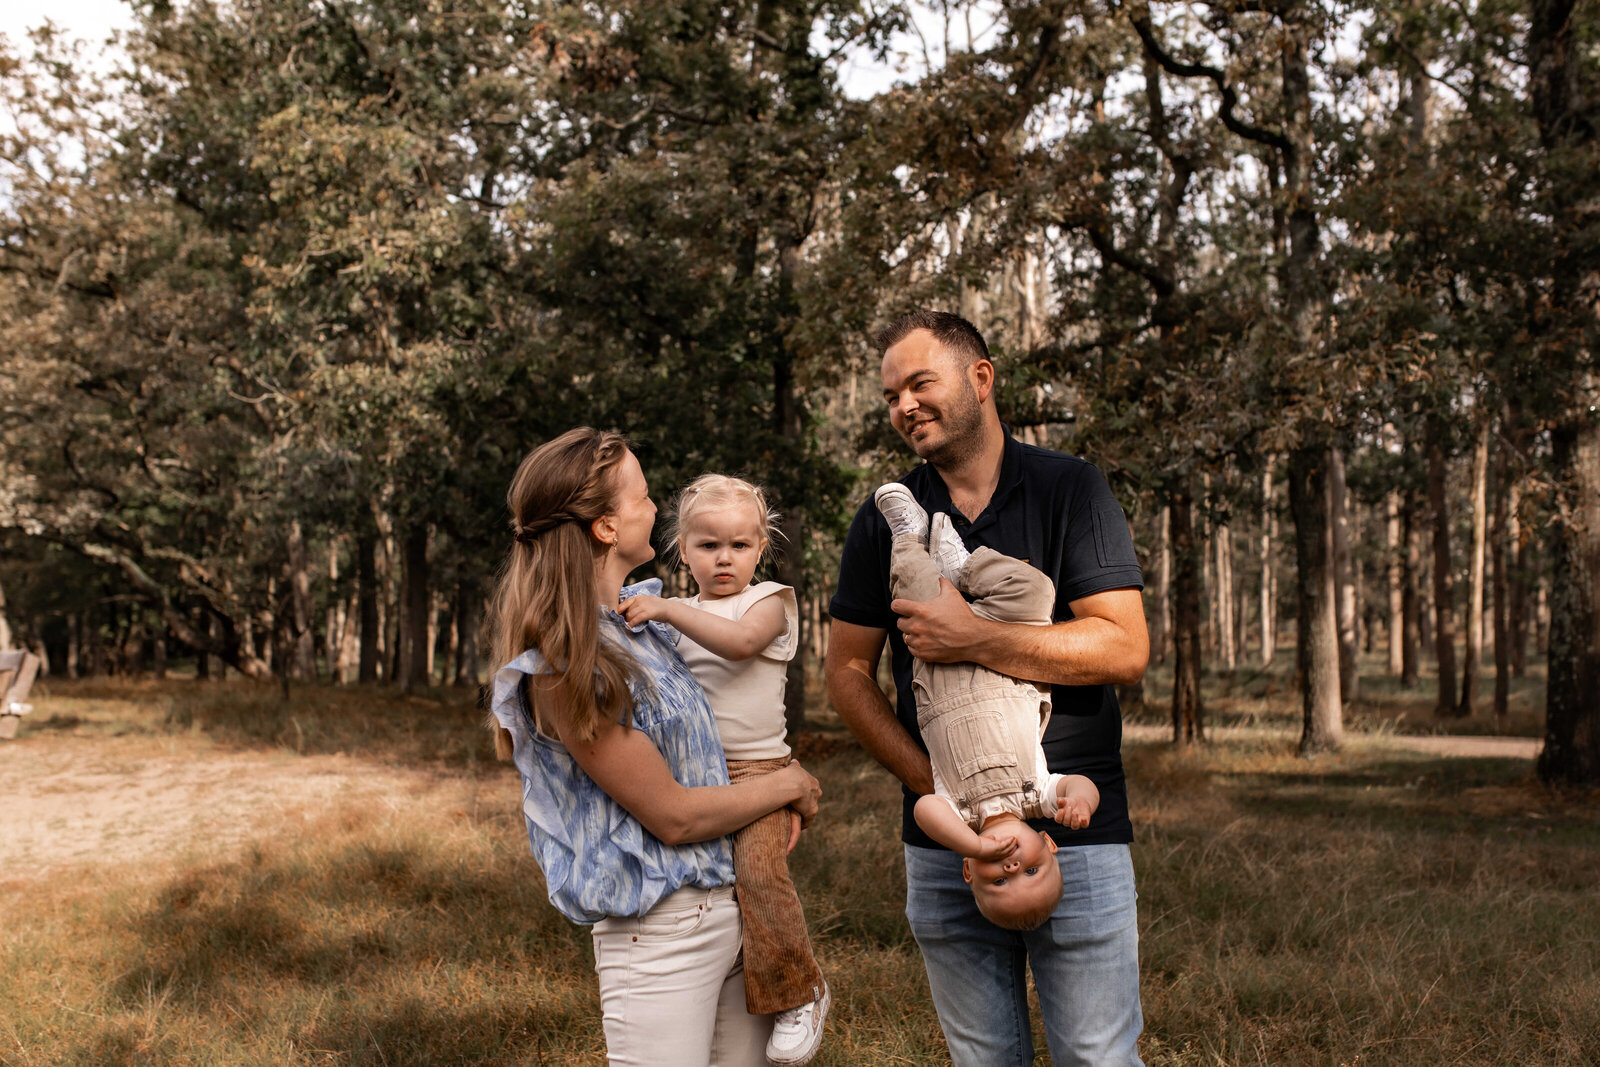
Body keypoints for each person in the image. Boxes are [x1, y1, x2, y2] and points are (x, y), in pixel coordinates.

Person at [824, 310, 1149, 1067]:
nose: (903, 405)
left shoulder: (1069, 488)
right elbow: (845, 674)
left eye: (918, 382)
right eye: (890, 395)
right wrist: (942, 790)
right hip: (946, 844)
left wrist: (977, 638)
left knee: (1098, 1056)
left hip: (1076, 823)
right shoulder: (883, 520)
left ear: (980, 378)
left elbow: (1125, 646)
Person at [488, 428, 822, 1067]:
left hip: (730, 913)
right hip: (659, 939)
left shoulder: (643, 621)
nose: (654, 509)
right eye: (642, 497)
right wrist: (790, 786)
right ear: (608, 527)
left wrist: (763, 800)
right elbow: (673, 815)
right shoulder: (566, 664)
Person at [619, 473, 830, 1066]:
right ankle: (741, 968)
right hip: (698, 774)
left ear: (761, 549)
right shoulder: (674, 612)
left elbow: (738, 644)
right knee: (722, 889)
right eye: (708, 545)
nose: (724, 559)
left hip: (760, 772)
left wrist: (665, 609)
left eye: (740, 545)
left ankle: (800, 989)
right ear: (682, 550)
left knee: (760, 874)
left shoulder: (766, 602)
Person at [872, 482, 1100, 932]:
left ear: (969, 873)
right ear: (1049, 844)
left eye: (998, 882)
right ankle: (965, 567)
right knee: (1036, 589)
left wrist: (971, 845)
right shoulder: (1038, 795)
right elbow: (1080, 784)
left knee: (914, 589)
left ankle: (907, 537)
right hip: (1006, 642)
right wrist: (1081, 804)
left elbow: (925, 812)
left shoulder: (957, 814)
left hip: (937, 655)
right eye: (1032, 871)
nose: (1012, 868)